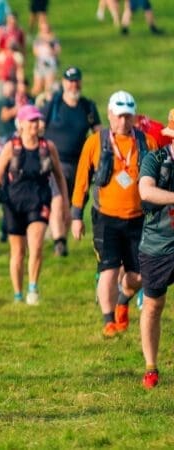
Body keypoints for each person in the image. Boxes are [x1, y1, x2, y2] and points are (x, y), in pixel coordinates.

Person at [70, 91, 157, 337]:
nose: (123, 122)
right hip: (105, 218)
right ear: (109, 115)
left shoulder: (146, 142)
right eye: (118, 116)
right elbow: (81, 181)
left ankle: (123, 300)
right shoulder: (95, 142)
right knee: (108, 269)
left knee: (139, 275)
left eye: (128, 117)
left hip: (138, 218)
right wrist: (76, 216)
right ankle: (109, 320)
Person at [0, 105, 69, 305]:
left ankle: (32, 288)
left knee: (37, 246)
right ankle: (17, 293)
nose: (36, 124)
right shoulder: (11, 147)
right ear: (21, 124)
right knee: (18, 252)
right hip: (13, 203)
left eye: (37, 120)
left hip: (39, 201)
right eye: (31, 120)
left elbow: (59, 176)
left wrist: (65, 203)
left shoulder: (47, 147)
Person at [40, 67, 101, 257]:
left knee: (74, 203)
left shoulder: (87, 106)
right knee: (57, 198)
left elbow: (99, 134)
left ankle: (60, 237)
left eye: (76, 81)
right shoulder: (53, 104)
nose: (73, 85)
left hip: (80, 164)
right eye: (70, 81)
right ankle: (59, 240)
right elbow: (38, 127)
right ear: (64, 83)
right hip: (54, 162)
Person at [137, 118, 174, 389]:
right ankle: (151, 367)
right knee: (153, 305)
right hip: (158, 245)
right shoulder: (155, 158)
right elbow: (145, 190)